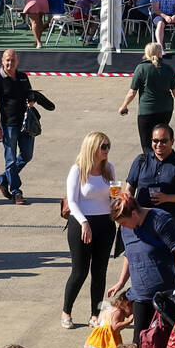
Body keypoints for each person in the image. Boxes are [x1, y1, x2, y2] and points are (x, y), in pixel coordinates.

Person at [107, 191, 175, 348]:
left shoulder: (160, 220)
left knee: (170, 338)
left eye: (123, 222)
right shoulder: (125, 229)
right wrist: (121, 282)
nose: (122, 227)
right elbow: (129, 254)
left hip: (167, 293)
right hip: (141, 292)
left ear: (134, 214)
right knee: (139, 338)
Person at [62, 131, 119, 330]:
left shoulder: (108, 168)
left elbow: (114, 195)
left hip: (105, 224)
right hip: (82, 224)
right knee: (79, 271)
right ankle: (66, 311)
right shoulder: (77, 170)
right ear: (92, 148)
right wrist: (84, 223)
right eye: (103, 146)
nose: (107, 150)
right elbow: (73, 202)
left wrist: (117, 203)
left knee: (99, 271)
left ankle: (95, 314)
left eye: (108, 146)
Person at [0, 49, 54, 205]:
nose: (10, 63)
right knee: (10, 159)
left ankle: (2, 179)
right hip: (8, 126)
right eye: (7, 60)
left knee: (27, 155)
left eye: (12, 60)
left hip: (25, 125)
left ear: (17, 61)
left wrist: (31, 101)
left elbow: (28, 95)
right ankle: (16, 192)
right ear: (2, 61)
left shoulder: (23, 77)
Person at [119, 43, 175, 153]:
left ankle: (151, 167)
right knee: (161, 142)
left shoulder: (141, 68)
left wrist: (124, 105)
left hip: (147, 112)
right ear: (160, 53)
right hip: (165, 111)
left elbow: (132, 92)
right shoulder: (168, 69)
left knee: (147, 145)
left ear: (146, 53)